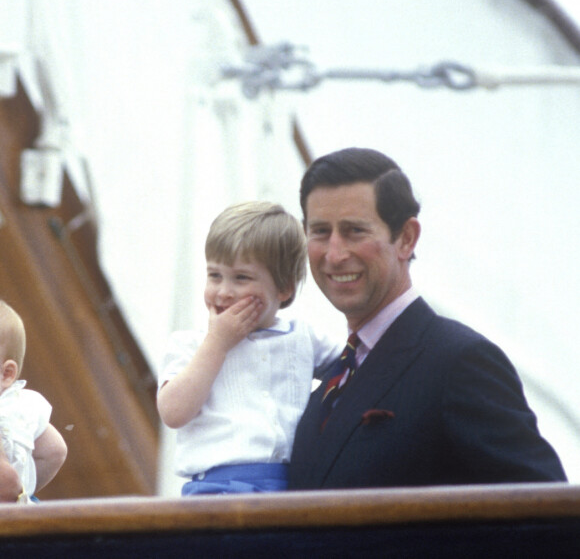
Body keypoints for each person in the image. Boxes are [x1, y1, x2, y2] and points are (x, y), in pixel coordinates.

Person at [288, 147, 567, 489]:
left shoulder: (459, 362)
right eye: (320, 232)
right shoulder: (329, 380)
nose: (334, 253)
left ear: (406, 238)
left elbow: (545, 511)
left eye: (354, 231)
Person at [157, 201, 340, 495]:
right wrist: (217, 343)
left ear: (284, 288)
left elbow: (358, 366)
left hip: (294, 488)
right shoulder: (190, 344)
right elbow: (173, 412)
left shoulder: (304, 337)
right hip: (217, 488)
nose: (224, 291)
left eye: (241, 278)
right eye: (214, 275)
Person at [0, 300, 68, 503]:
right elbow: (56, 451)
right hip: (23, 512)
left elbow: (7, 482)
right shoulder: (24, 405)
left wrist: (14, 491)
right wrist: (26, 494)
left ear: (7, 373)